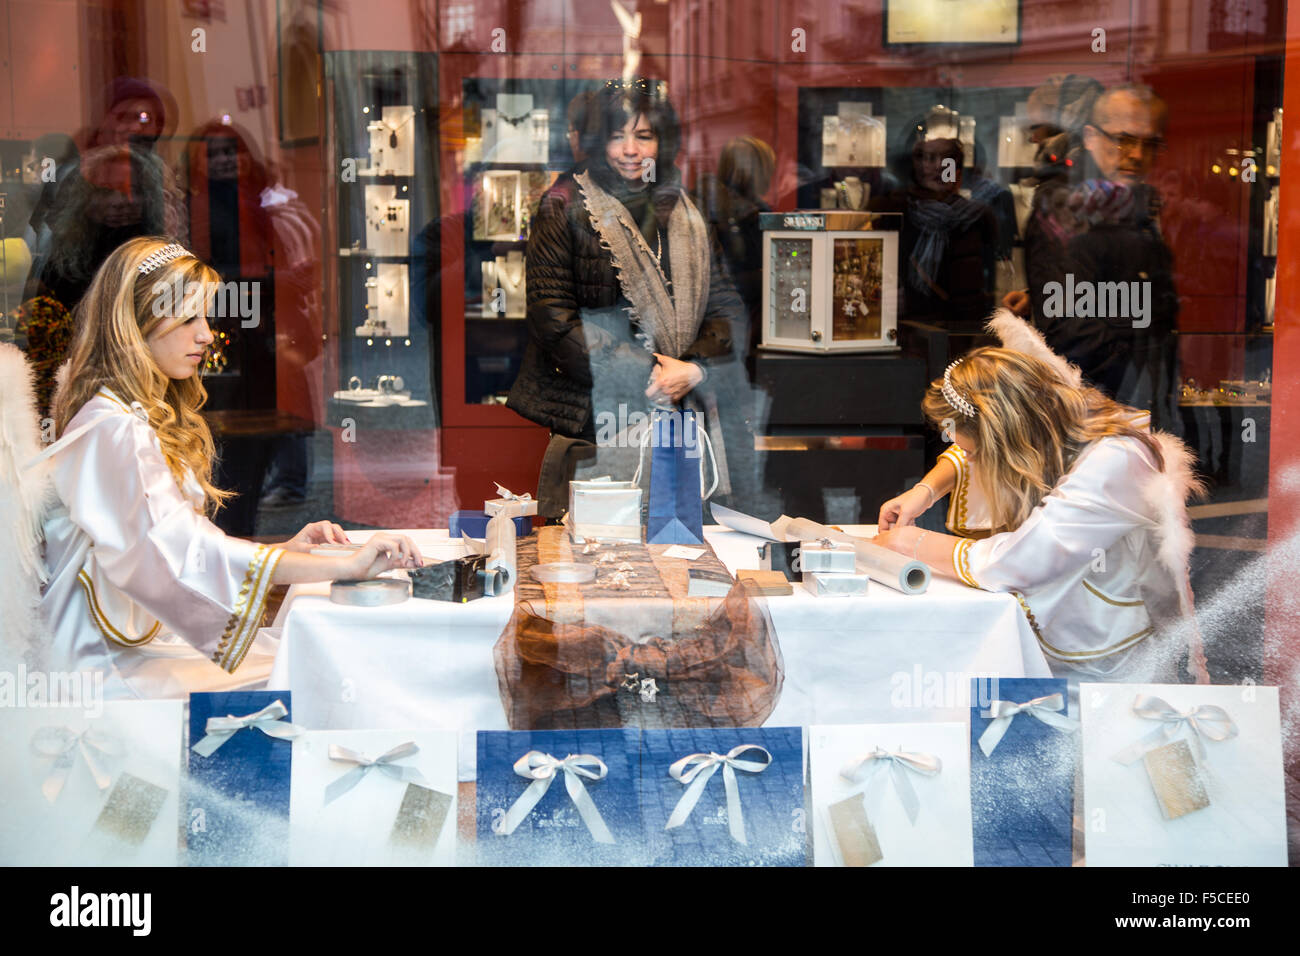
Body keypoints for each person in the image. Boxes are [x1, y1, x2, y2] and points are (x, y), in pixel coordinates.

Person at [32, 236, 422, 699]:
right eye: (188, 319)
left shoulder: (123, 414)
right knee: (317, 675)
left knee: (304, 661)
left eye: (206, 317)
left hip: (128, 643)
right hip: (102, 668)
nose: (206, 334)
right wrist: (344, 564)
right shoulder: (115, 428)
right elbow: (181, 551)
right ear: (135, 325)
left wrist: (286, 549)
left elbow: (176, 550)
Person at [873, 310, 1205, 683]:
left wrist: (912, 542)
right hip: (1060, 641)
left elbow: (1024, 559)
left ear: (1005, 436)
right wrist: (926, 491)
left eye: (976, 451)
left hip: (1110, 664)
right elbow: (966, 452)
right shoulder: (1050, 409)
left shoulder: (1117, 461)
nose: (961, 453)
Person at [505, 78, 747, 514]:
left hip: (684, 421)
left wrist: (696, 369)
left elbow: (726, 307)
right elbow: (554, 322)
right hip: (599, 421)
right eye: (617, 136)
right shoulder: (562, 206)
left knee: (679, 559)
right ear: (599, 141)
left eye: (644, 136)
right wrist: (653, 376)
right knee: (599, 560)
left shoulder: (687, 211)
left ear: (662, 141)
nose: (630, 150)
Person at [1020, 84, 1180, 431]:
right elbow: (1068, 328)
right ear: (1091, 137)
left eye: (1149, 143)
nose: (1137, 155)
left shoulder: (1139, 207)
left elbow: (1157, 311)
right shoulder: (1066, 207)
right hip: (1089, 410)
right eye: (1123, 139)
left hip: (1130, 404)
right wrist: (1135, 376)